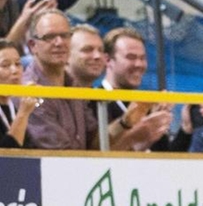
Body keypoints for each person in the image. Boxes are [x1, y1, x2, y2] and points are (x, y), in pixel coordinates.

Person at [21, 10, 128, 150]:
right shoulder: (29, 89)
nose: (59, 42)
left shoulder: (74, 85)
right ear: (32, 45)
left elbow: (94, 139)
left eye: (65, 35)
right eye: (50, 37)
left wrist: (126, 122)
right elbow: (58, 151)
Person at [100, 27, 189, 151]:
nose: (139, 64)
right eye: (130, 57)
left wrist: (186, 129)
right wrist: (135, 135)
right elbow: (95, 155)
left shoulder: (144, 104)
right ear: (108, 60)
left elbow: (164, 160)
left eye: (142, 58)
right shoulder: (95, 103)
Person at [0, 39, 38, 148]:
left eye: (18, 64)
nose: (15, 70)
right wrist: (23, 113)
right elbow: (6, 156)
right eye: (5, 65)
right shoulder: (21, 111)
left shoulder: (14, 108)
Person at [66, 23, 105, 88]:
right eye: (87, 50)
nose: (97, 56)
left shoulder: (104, 97)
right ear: (66, 55)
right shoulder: (47, 94)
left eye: (100, 50)